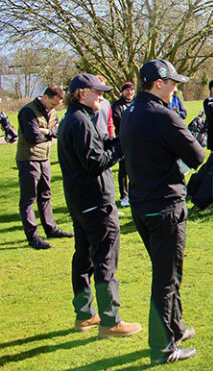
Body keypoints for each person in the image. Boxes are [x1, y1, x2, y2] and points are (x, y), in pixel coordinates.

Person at [120, 59, 205, 365]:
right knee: (166, 279)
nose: (175, 89)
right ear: (159, 83)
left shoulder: (129, 112)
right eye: (172, 84)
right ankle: (162, 347)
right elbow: (197, 156)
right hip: (165, 205)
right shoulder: (163, 115)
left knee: (167, 271)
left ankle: (176, 326)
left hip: (142, 204)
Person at [57, 73, 141, 338]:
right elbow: (94, 162)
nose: (102, 97)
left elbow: (99, 144)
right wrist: (120, 151)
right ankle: (110, 320)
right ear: (81, 93)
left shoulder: (74, 119)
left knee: (83, 259)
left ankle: (85, 315)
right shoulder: (80, 122)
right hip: (95, 203)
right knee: (105, 260)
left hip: (80, 203)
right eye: (98, 92)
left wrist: (120, 140)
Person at [16, 85, 72, 249]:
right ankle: (32, 236)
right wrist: (49, 133)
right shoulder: (28, 111)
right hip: (29, 158)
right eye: (53, 104)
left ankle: (50, 228)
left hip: (44, 157)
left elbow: (57, 131)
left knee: (45, 194)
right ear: (45, 97)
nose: (54, 108)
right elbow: (32, 136)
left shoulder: (52, 112)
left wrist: (46, 131)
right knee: (29, 198)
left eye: (57, 106)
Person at [111, 82, 135, 208]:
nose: (129, 92)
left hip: (137, 141)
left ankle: (134, 193)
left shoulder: (136, 103)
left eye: (131, 90)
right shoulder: (117, 105)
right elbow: (118, 122)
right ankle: (124, 196)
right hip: (123, 141)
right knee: (124, 170)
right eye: (127, 90)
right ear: (122, 92)